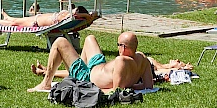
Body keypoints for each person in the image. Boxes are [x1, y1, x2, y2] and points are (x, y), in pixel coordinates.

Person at [28, 31, 156, 93]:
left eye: (118, 45)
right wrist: (132, 86)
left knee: (60, 42)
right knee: (90, 39)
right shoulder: (142, 58)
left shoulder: (121, 61)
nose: (117, 48)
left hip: (88, 77)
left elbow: (114, 91)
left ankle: (45, 83)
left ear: (123, 47)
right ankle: (72, 73)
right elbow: (148, 86)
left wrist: (126, 87)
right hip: (98, 66)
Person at [0, 5, 100, 31]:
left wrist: (86, 15)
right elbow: (94, 14)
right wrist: (88, 15)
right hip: (38, 18)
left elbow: (92, 15)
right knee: (15, 20)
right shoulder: (69, 16)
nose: (72, 10)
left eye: (74, 10)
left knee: (14, 24)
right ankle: (7, 17)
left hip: (36, 23)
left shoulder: (71, 17)